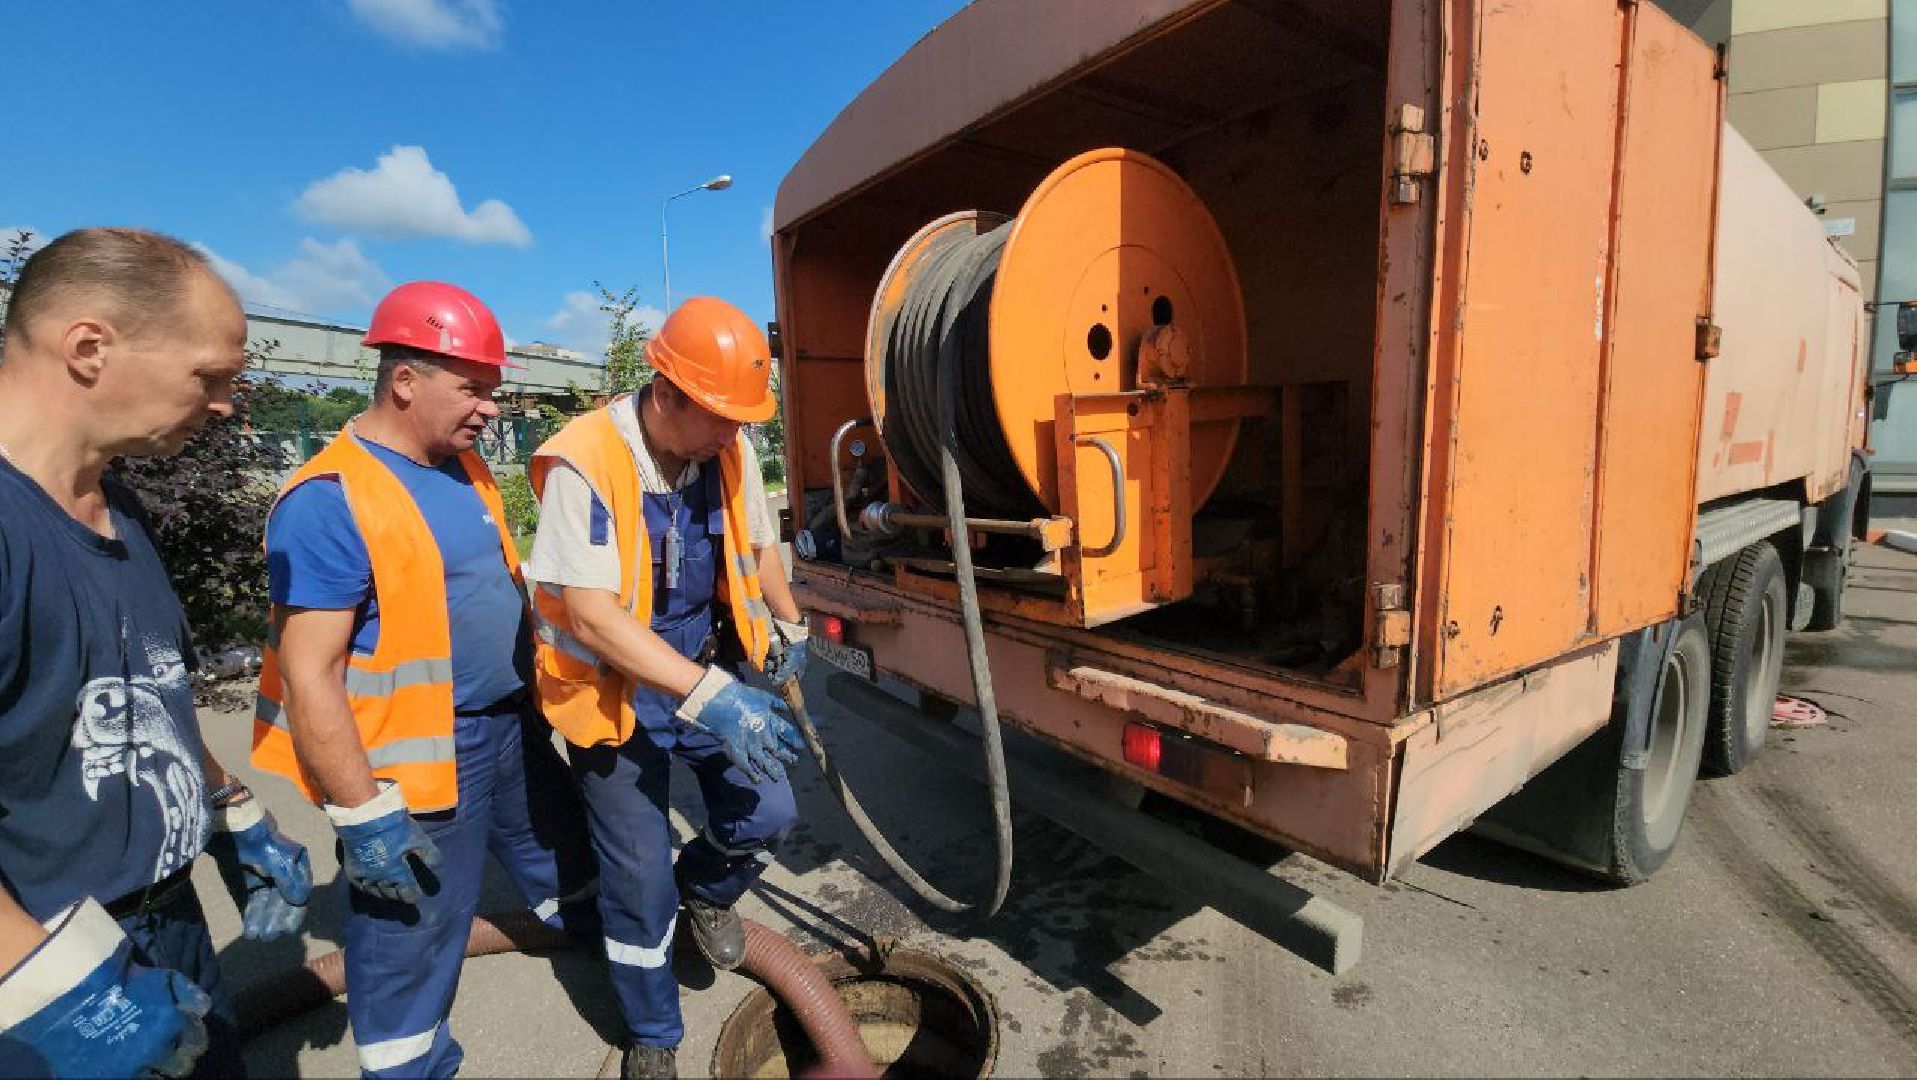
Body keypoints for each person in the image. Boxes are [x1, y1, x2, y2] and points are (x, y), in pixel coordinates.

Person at [250, 281, 597, 1079]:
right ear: (404, 379)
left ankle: (603, 947)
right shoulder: (329, 499)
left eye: (492, 391)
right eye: (472, 388)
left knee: (566, 856)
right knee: (410, 931)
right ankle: (410, 1065)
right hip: (419, 759)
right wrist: (362, 812)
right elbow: (311, 673)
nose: (489, 409)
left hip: (512, 726)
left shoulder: (462, 466)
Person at [0, 228, 312, 1078]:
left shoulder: (121, 508)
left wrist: (228, 810)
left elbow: (146, 688)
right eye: (209, 375)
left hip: (167, 928)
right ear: (89, 348)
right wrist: (63, 998)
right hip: (42, 973)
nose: (225, 404)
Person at [526, 296, 810, 1079]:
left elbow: (758, 547)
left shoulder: (729, 448)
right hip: (614, 691)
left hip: (703, 665)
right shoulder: (582, 463)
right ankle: (652, 1030)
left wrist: (789, 626)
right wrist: (709, 696)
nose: (735, 433)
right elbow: (587, 613)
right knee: (636, 877)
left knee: (770, 809)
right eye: (720, 415)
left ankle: (706, 890)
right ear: (667, 393)